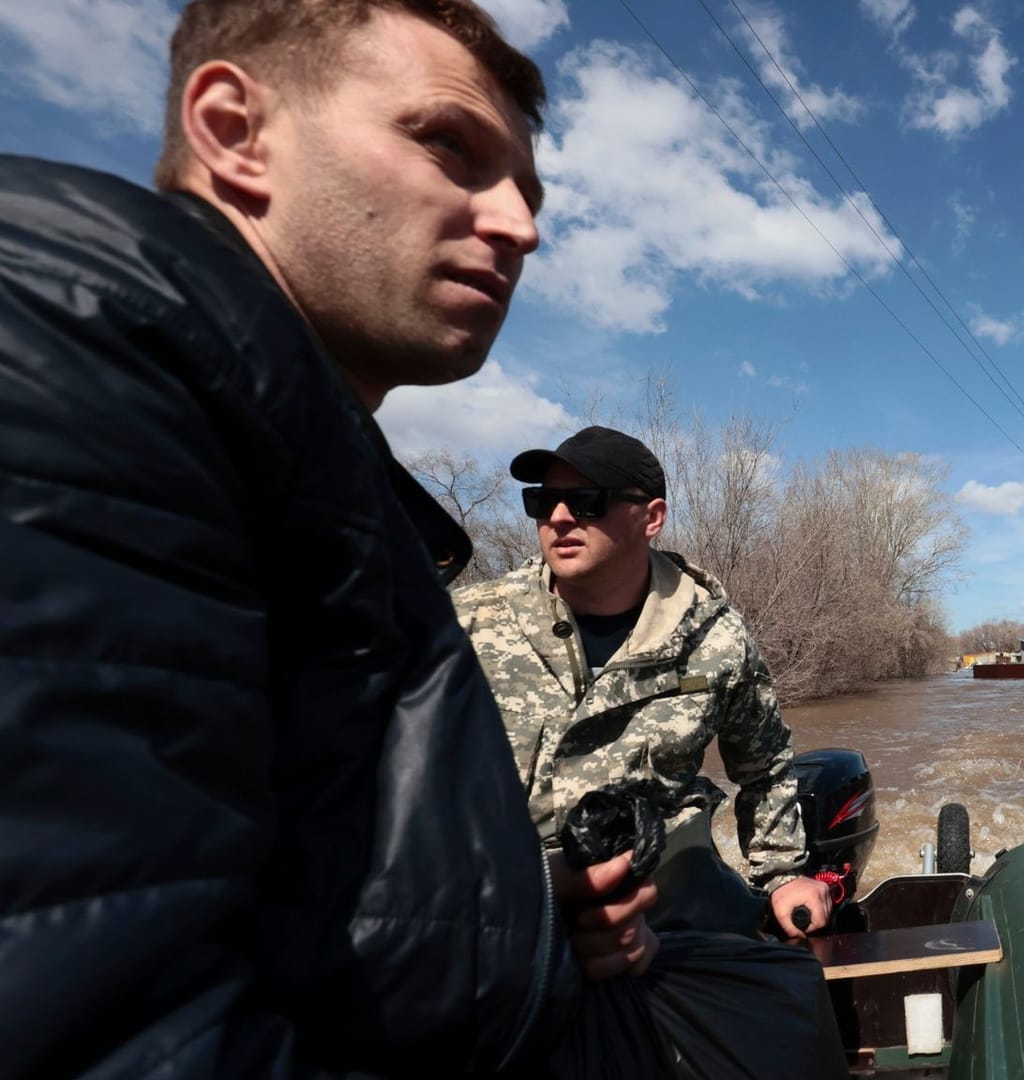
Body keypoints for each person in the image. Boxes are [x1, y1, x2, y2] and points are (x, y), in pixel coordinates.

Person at [0, 2, 652, 1075]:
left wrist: (530, 916)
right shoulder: (75, 340)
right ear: (233, 131)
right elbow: (91, 1013)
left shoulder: (303, 456)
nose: (521, 227)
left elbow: (283, 874)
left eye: (528, 194)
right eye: (450, 145)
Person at [455, 426, 835, 940]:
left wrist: (782, 874)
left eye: (587, 501)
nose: (560, 518)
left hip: (663, 899)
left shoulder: (716, 639)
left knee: (780, 998)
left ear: (651, 517)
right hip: (501, 899)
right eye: (542, 502)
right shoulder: (470, 624)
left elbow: (764, 768)